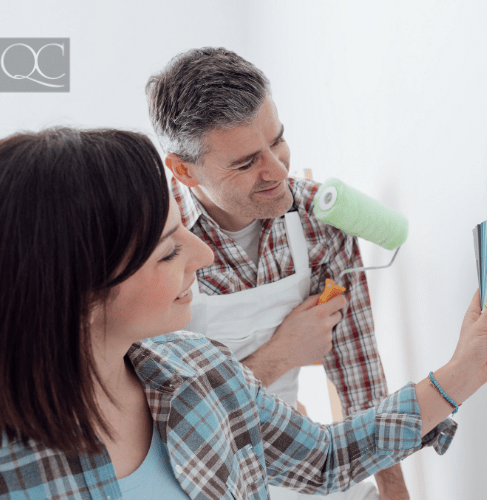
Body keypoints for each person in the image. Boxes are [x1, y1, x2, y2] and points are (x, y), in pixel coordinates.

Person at [0, 128, 487, 500]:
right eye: (168, 250)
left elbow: (326, 458)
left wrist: (462, 372)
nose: (203, 255)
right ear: (72, 293)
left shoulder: (195, 369)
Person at [145, 47, 403, 500]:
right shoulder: (150, 251)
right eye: (246, 163)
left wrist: (396, 495)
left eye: (277, 140)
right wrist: (281, 354)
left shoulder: (318, 222)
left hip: (284, 462)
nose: (278, 171)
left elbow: (362, 381)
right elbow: (161, 428)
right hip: (183, 478)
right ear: (184, 171)